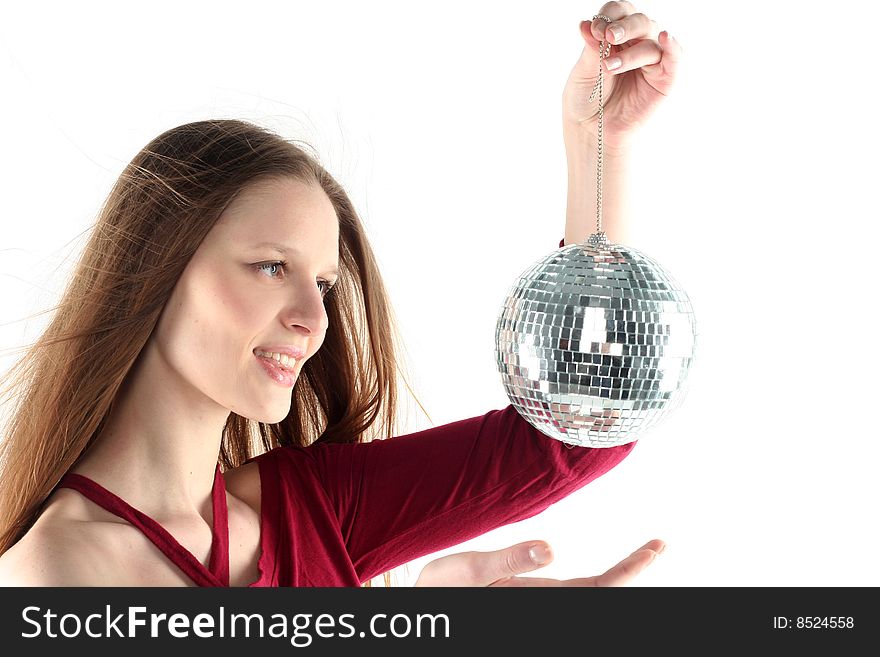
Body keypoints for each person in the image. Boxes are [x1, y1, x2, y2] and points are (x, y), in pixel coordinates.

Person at [0, 2, 679, 587]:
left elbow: (581, 430)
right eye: (271, 267)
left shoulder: (311, 509)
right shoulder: (55, 569)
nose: (312, 319)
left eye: (323, 284)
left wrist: (598, 144)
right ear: (154, 268)